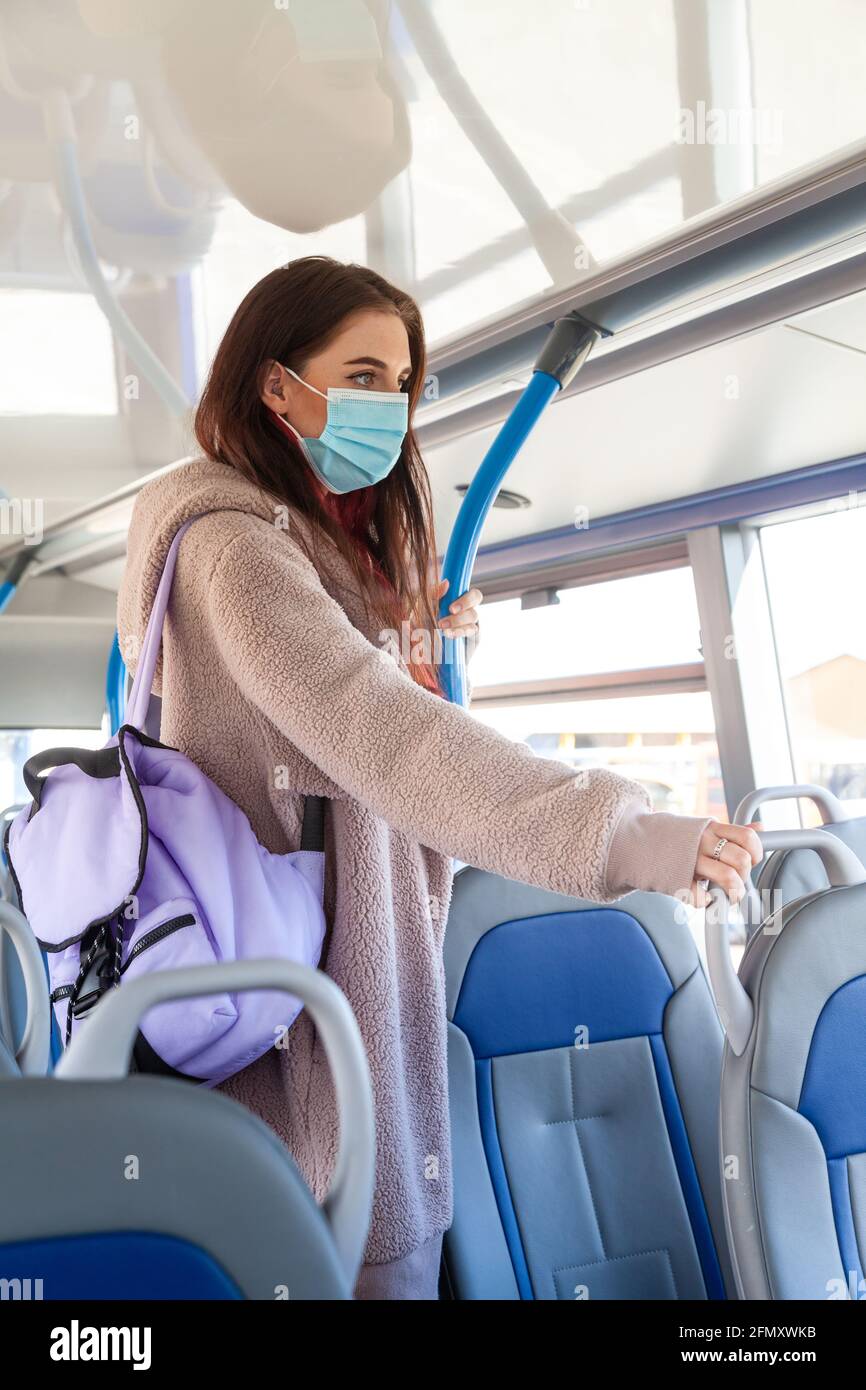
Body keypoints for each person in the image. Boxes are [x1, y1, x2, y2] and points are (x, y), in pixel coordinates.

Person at [117, 255, 762, 1300]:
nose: (391, 404)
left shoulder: (267, 546)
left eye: (403, 382)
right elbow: (389, 739)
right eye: (362, 374)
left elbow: (316, 706)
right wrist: (626, 835)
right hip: (301, 1055)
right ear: (275, 384)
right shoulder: (236, 553)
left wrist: (390, 616)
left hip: (290, 1020)